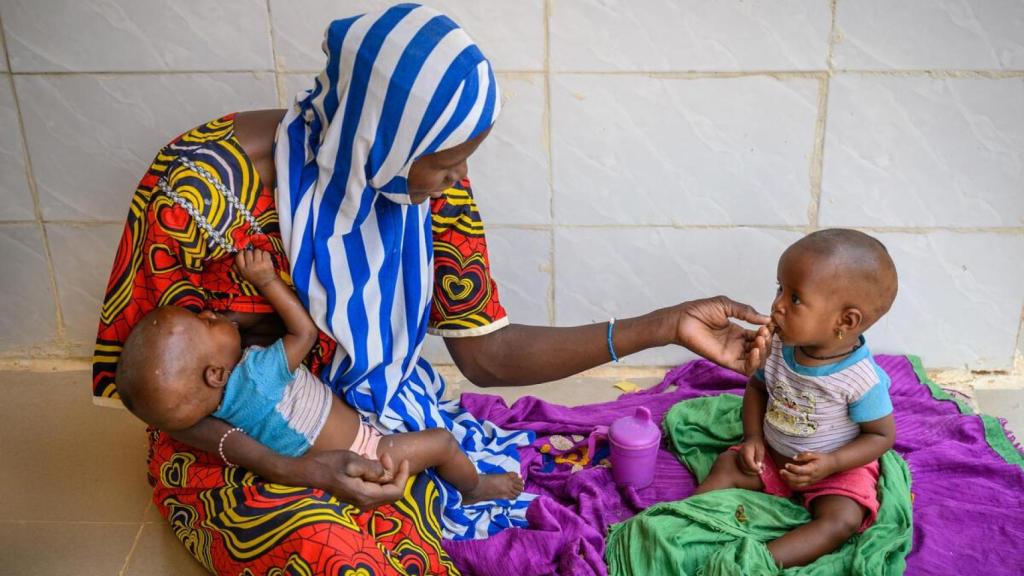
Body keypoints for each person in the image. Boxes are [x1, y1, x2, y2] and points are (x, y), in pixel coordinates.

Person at [92, 5, 768, 573]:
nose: (453, 183)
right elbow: (159, 396)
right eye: (445, 166)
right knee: (334, 555)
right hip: (231, 441)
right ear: (380, 138)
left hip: (369, 422)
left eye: (461, 162)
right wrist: (301, 472)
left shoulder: (419, 178)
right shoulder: (197, 193)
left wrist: (660, 326)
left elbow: (485, 353)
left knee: (442, 498)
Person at [116, 248, 524, 504]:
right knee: (442, 443)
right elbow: (305, 332)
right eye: (207, 323)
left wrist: (227, 326)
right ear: (215, 373)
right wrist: (266, 281)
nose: (212, 313)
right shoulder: (257, 376)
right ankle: (473, 488)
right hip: (371, 452)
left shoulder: (222, 410)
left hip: (335, 458)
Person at [692, 228, 899, 568]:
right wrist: (753, 437)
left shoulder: (861, 380)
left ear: (845, 321)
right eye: (780, 289)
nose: (777, 306)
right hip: (774, 455)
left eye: (795, 298)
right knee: (728, 465)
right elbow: (757, 388)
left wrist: (831, 464)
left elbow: (881, 436)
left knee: (842, 520)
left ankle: (758, 563)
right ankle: (679, 520)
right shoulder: (777, 346)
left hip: (834, 468)